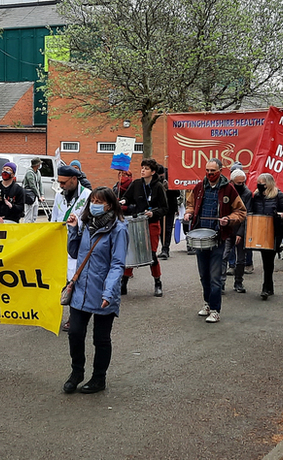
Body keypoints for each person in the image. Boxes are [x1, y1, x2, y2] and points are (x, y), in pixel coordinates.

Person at [63, 187, 128, 394]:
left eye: (99, 201)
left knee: (100, 339)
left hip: (103, 292)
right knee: (74, 333)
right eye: (93, 200)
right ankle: (77, 372)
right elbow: (74, 252)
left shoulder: (119, 229)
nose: (94, 205)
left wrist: (109, 293)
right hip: (81, 289)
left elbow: (118, 264)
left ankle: (99, 378)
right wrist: (73, 230)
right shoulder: (85, 224)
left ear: (109, 205)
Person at [183, 158, 246, 323]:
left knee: (215, 276)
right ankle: (208, 304)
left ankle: (216, 310)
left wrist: (229, 219)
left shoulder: (228, 189)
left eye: (213, 171)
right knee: (203, 275)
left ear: (220, 171)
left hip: (218, 238)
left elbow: (241, 211)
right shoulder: (199, 187)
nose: (210, 173)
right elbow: (189, 204)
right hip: (200, 237)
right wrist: (188, 213)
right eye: (207, 170)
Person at [53, 165, 93, 331]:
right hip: (61, 244)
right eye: (59, 182)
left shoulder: (88, 196)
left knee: (74, 281)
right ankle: (54, 314)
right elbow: (54, 218)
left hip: (78, 245)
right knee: (58, 280)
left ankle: (73, 316)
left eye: (64, 183)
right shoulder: (58, 196)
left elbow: (92, 222)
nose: (61, 186)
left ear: (74, 180)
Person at [121, 158, 168, 297]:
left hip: (152, 224)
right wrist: (123, 201)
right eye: (142, 168)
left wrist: (153, 213)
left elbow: (165, 208)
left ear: (153, 172)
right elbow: (127, 198)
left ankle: (157, 282)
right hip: (136, 223)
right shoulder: (136, 184)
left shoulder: (158, 187)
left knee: (152, 254)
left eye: (146, 169)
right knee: (132, 253)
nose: (143, 170)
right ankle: (124, 282)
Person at [247, 173, 283, 299]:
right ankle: (268, 287)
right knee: (265, 258)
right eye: (258, 183)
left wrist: (282, 214)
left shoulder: (278, 195)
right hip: (260, 231)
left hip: (274, 230)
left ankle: (267, 286)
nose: (260, 186)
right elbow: (253, 210)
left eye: (262, 184)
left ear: (269, 184)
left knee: (269, 259)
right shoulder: (257, 196)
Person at [225, 169, 253, 293]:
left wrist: (240, 233)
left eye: (243, 182)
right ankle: (221, 283)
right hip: (227, 228)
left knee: (241, 258)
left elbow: (246, 215)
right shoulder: (227, 190)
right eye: (238, 183)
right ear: (232, 181)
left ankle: (238, 282)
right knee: (223, 256)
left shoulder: (247, 193)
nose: (241, 185)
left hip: (240, 230)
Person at [158, 165, 182, 260]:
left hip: (170, 207)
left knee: (167, 228)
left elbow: (177, 193)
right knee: (160, 228)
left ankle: (165, 249)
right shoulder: (156, 179)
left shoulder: (171, 176)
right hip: (159, 207)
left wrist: (169, 188)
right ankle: (163, 246)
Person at [22, 157, 44, 223]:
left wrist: (41, 194)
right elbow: (33, 186)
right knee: (28, 214)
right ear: (37, 165)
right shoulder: (29, 173)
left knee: (35, 214)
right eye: (39, 164)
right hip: (29, 195)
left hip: (35, 195)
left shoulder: (38, 172)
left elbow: (40, 183)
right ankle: (26, 227)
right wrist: (39, 195)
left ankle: (33, 224)